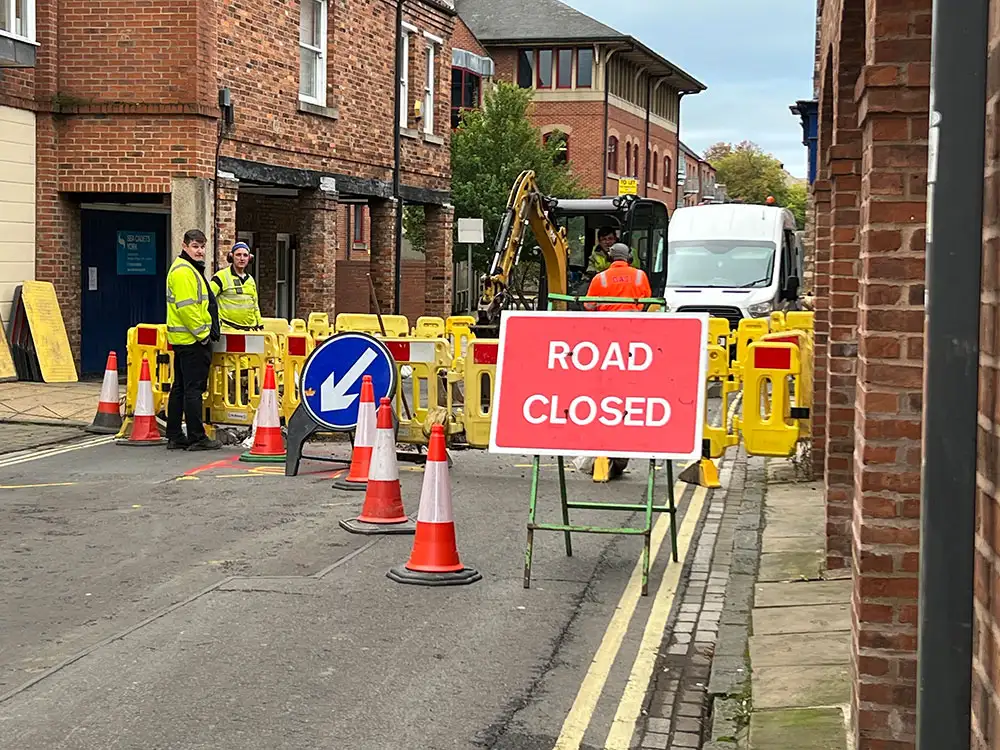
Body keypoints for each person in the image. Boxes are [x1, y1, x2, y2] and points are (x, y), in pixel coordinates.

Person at [165, 229, 221, 451]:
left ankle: (175, 435)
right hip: (192, 340)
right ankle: (197, 437)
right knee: (193, 390)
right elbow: (187, 308)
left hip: (184, 340)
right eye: (195, 246)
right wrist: (203, 334)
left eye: (202, 246)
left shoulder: (188, 269)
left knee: (180, 388)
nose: (200, 251)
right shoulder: (184, 272)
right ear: (185, 246)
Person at [584, 243, 652, 311]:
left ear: (609, 257)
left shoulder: (600, 277)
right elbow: (647, 299)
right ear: (629, 257)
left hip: (607, 320)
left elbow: (589, 305)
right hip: (634, 319)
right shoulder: (640, 275)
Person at [210, 241, 263, 331]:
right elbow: (208, 299)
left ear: (249, 258)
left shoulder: (250, 279)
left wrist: (260, 324)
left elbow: (255, 305)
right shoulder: (221, 276)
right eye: (238, 255)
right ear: (231, 256)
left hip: (250, 330)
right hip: (228, 330)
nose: (242, 258)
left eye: (245, 255)